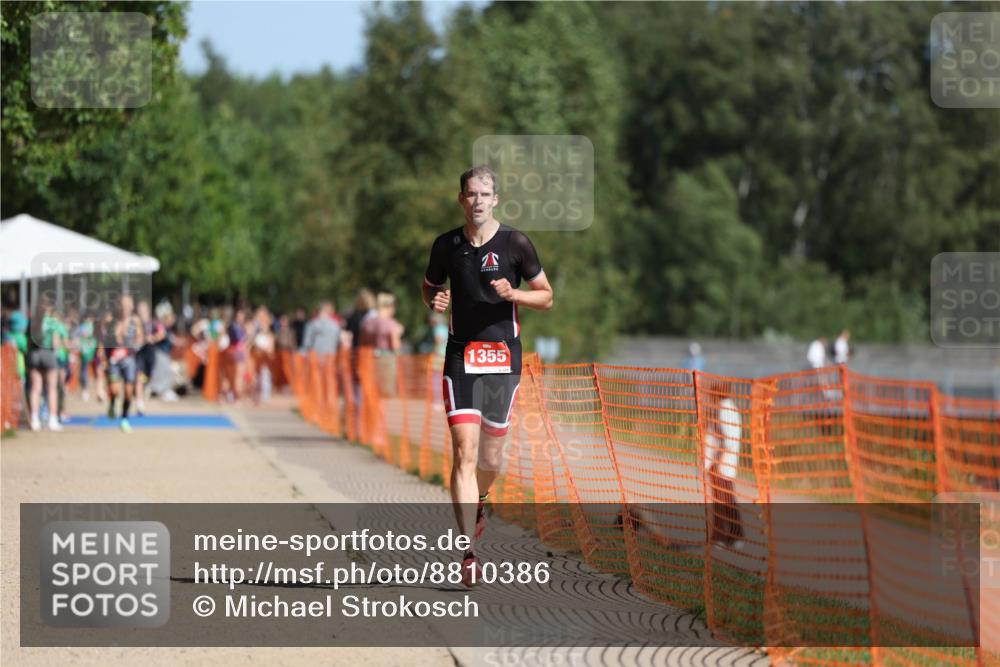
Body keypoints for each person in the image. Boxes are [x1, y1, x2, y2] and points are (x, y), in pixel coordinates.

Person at [422, 164, 554, 586]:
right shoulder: (446, 245)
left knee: (490, 459)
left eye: (484, 194)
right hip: (461, 356)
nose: (477, 201)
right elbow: (429, 286)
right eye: (470, 194)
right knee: (464, 450)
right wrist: (434, 300)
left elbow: (547, 297)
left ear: (495, 199)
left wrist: (514, 293)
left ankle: (480, 499)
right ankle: (468, 552)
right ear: (461, 199)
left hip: (502, 358)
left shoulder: (515, 243)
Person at [704, 395, 744, 549]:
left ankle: (724, 537)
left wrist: (717, 462)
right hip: (723, 465)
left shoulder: (724, 410)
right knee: (726, 501)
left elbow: (727, 440)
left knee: (723, 502)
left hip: (722, 466)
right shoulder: (728, 409)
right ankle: (732, 536)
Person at [106, 294, 145, 432]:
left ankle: (124, 419)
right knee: (115, 390)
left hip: (129, 359)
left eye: (128, 304)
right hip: (115, 360)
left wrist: (135, 346)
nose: (125, 308)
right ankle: (112, 403)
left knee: (129, 392)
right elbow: (109, 338)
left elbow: (140, 338)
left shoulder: (135, 321)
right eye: (123, 305)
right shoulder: (112, 320)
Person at [27, 306, 65, 432]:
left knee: (35, 389)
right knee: (52, 389)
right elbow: (56, 342)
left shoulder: (32, 321)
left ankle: (34, 419)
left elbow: (27, 340)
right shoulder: (53, 323)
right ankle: (52, 420)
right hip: (48, 354)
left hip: (34, 355)